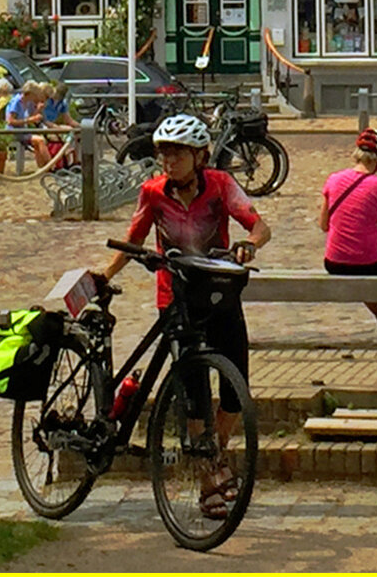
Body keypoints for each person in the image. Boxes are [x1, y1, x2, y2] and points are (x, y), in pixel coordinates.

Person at [98, 114, 268, 519]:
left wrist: (250, 244)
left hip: (218, 292)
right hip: (175, 294)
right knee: (193, 391)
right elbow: (134, 239)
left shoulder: (221, 186)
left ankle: (217, 450)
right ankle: (207, 476)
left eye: (178, 154)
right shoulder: (153, 192)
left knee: (234, 385)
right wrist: (104, 274)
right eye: (164, 154)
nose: (169, 161)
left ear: (200, 155)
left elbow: (259, 224)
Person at [318, 127, 377, 344]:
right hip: (370, 261)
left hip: (334, 261)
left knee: (356, 269)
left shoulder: (333, 180)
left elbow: (323, 224)